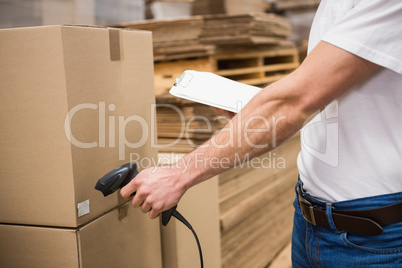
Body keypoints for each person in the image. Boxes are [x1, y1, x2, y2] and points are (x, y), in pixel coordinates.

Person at [121, 0, 402, 266]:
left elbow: (297, 100)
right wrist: (254, 112)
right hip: (310, 215)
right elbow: (326, 88)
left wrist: (177, 175)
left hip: (371, 236)